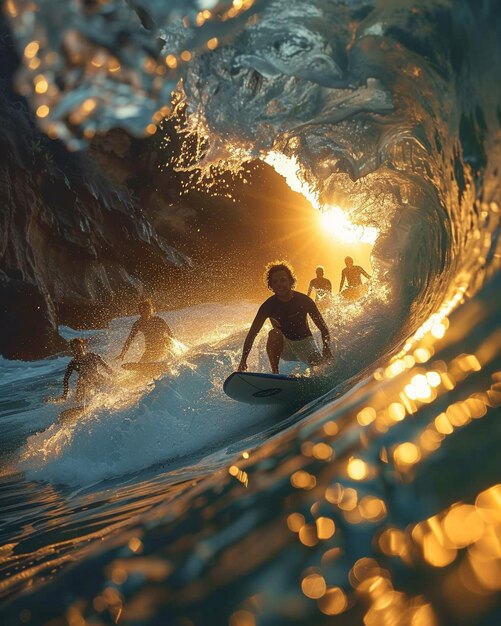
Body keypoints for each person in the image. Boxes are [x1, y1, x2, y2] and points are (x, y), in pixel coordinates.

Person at [237, 261, 332, 374]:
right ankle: (275, 374)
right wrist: (243, 360)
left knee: (321, 368)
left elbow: (323, 328)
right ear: (271, 286)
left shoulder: (304, 301)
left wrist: (326, 348)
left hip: (305, 344)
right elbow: (252, 333)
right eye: (275, 282)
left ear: (290, 281)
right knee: (274, 333)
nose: (279, 284)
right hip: (285, 346)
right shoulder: (268, 306)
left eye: (283, 280)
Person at [51, 337, 113, 404]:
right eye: (75, 347)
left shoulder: (93, 356)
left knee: (108, 385)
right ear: (73, 350)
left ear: (83, 346)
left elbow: (107, 369)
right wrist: (65, 394)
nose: (77, 348)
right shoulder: (73, 363)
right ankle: (78, 405)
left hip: (96, 378)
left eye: (78, 346)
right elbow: (66, 378)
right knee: (80, 386)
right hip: (83, 383)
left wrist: (116, 376)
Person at [116, 298, 174, 363]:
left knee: (166, 344)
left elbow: (171, 335)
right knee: (141, 366)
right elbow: (129, 340)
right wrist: (123, 353)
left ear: (150, 310)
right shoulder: (138, 324)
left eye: (146, 311)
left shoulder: (159, 320)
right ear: (139, 312)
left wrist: (173, 350)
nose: (144, 313)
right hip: (149, 350)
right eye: (142, 311)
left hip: (163, 348)